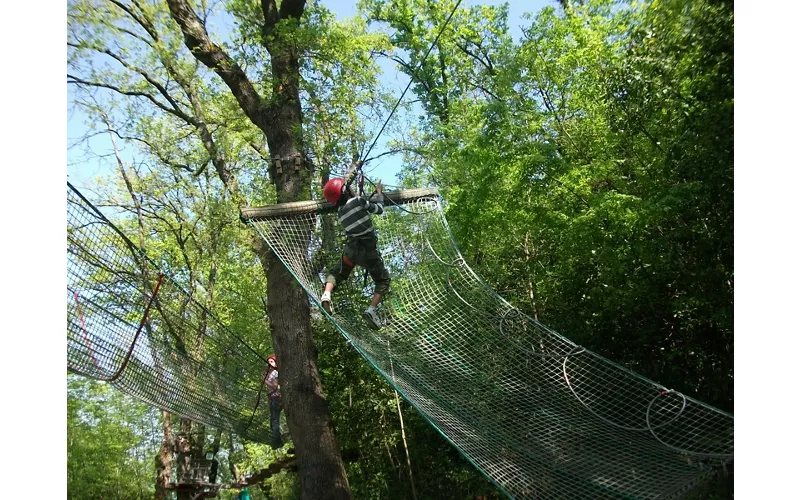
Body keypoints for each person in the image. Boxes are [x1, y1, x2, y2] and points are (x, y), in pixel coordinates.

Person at [320, 169, 390, 330]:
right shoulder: (358, 201)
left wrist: (359, 192)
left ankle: (327, 294)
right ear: (346, 191)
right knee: (382, 280)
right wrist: (379, 193)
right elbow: (379, 209)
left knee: (336, 273)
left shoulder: (340, 212)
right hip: (368, 253)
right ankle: (371, 309)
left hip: (351, 252)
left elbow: (354, 205)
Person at [265, 355, 284, 449]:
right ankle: (278, 441)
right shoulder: (271, 373)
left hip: (277, 397)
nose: (269, 363)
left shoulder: (276, 372)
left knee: (275, 420)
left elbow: (275, 386)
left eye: (271, 361)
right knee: (272, 421)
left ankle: (276, 439)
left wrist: (265, 381)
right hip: (273, 398)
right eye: (268, 362)